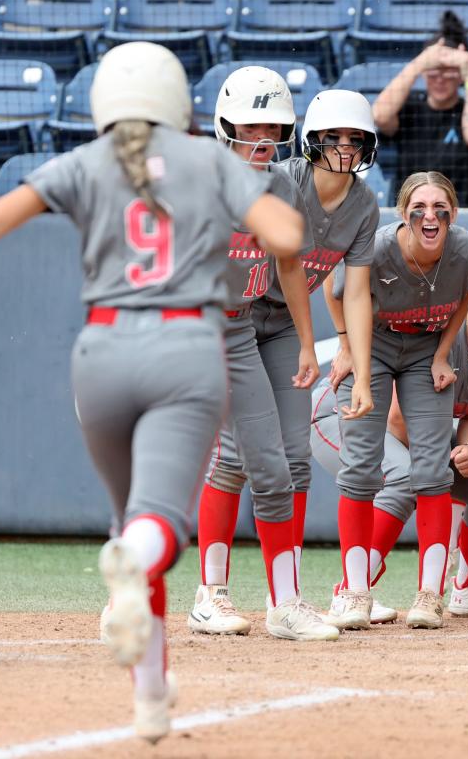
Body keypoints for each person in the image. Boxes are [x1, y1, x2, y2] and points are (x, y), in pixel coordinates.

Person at [0, 42, 306, 742]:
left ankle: (151, 697)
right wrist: (257, 218)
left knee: (132, 525)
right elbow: (285, 233)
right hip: (186, 345)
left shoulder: (84, 162)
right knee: (154, 526)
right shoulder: (209, 160)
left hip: (100, 351)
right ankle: (136, 564)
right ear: (176, 102)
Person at [312, 244, 468, 620]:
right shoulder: (441, 333)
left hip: (418, 433)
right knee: (404, 476)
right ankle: (352, 591)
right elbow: (397, 418)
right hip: (344, 415)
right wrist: (433, 466)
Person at [188, 66, 338, 642]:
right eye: (251, 128)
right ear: (225, 126)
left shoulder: (281, 183)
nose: (263, 139)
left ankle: (271, 601)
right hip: (197, 330)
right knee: (247, 463)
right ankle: (218, 595)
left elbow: (290, 262)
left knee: (277, 463)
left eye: (273, 128)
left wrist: (306, 340)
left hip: (243, 327)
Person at [327, 171, 468, 630]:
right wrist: (346, 345)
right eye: (419, 207)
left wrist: (443, 354)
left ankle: (429, 596)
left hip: (425, 348)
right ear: (404, 213)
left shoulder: (467, 249)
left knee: (432, 470)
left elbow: (464, 299)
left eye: (440, 207)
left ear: (453, 213)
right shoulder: (378, 247)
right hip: (373, 343)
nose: (430, 215)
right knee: (361, 466)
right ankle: (355, 593)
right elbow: (333, 288)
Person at [372, 11, 468, 207]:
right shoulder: (408, 109)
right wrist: (418, 63)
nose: (440, 78)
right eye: (434, 70)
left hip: (467, 215)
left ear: (460, 75)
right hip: (414, 218)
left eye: (448, 71)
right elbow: (379, 115)